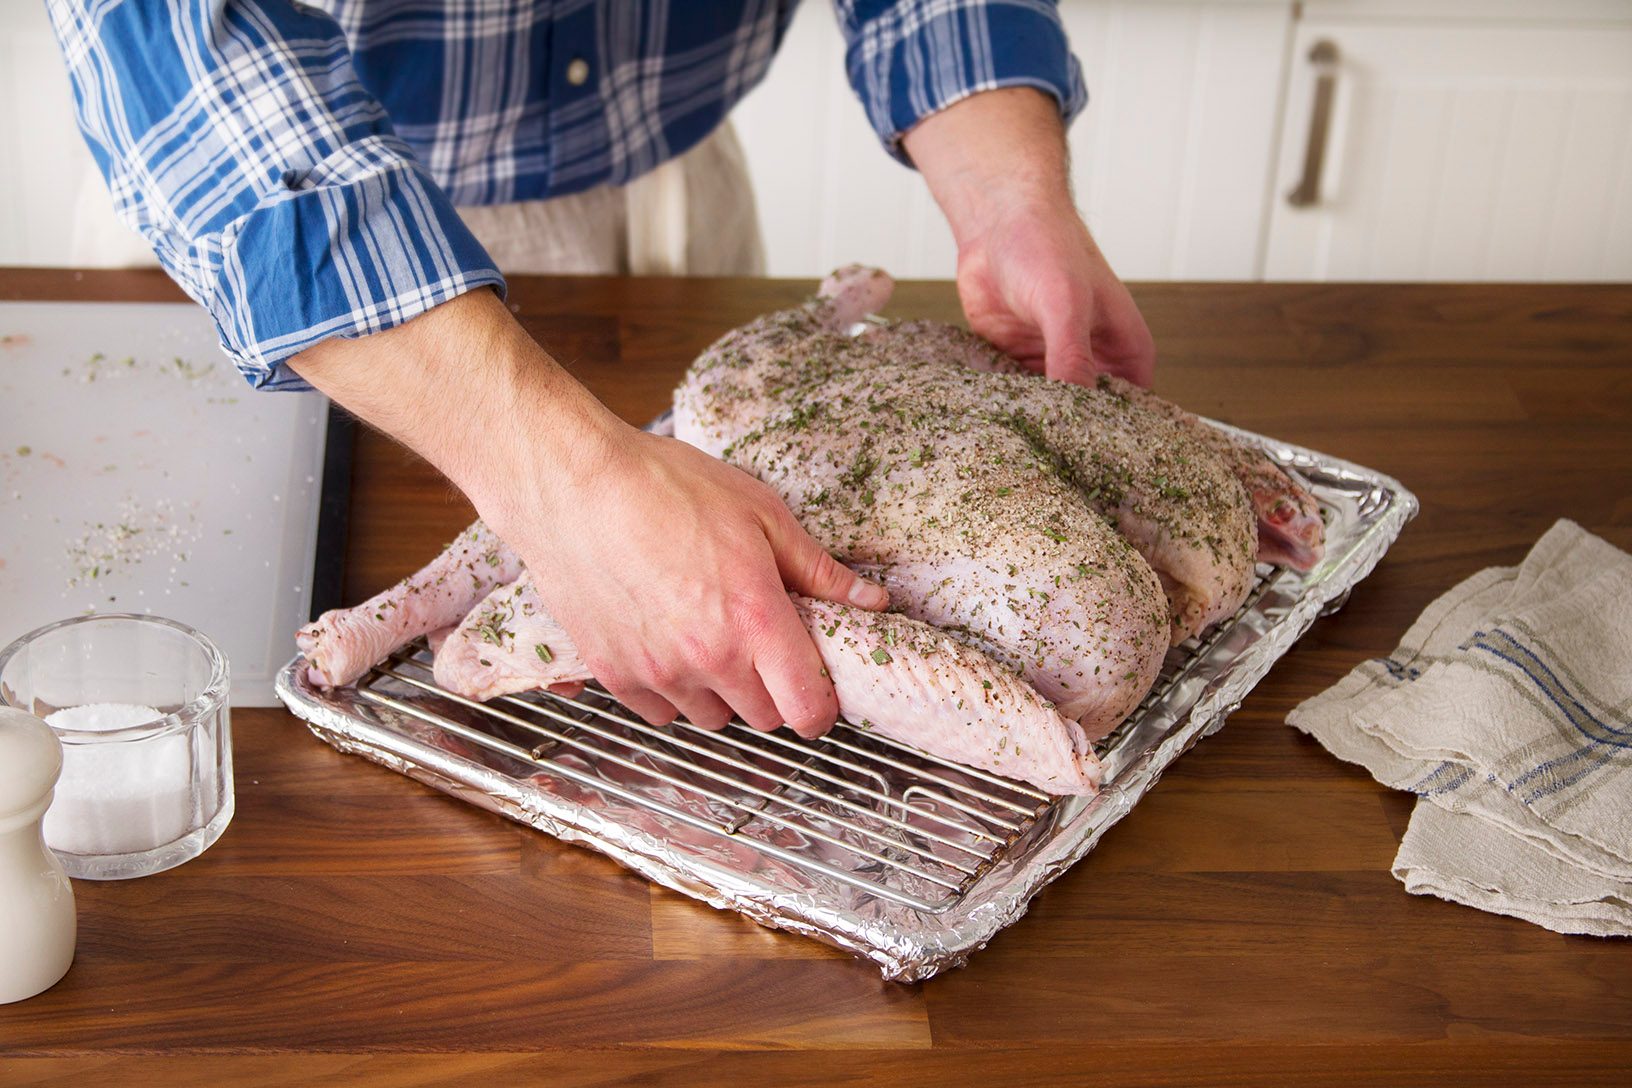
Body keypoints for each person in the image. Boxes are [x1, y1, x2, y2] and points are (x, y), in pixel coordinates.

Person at [48, 1, 1156, 740]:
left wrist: (1005, 187)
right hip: (269, 250)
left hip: (655, 209)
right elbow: (182, 44)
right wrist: (562, 483)